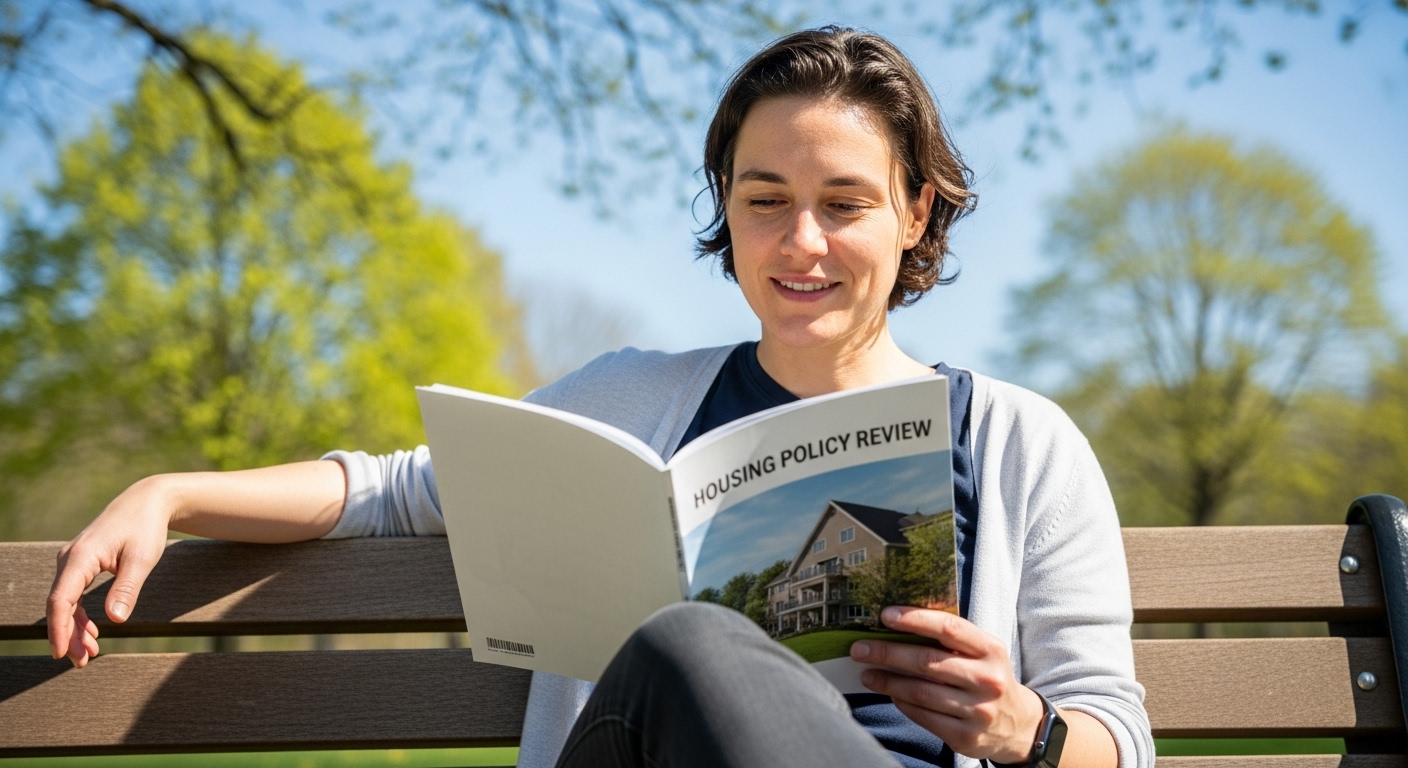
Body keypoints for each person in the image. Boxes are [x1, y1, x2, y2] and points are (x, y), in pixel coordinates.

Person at [46, 27, 1152, 768]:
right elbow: (389, 493)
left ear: (914, 212)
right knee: (692, 649)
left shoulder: (1017, 443)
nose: (800, 243)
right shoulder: (630, 400)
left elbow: (1121, 737)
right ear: (726, 206)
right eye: (764, 199)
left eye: (844, 203)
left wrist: (1026, 729)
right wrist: (171, 490)